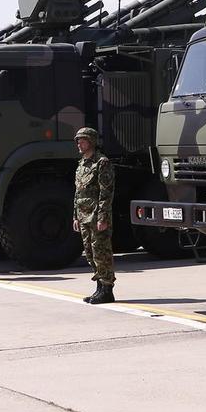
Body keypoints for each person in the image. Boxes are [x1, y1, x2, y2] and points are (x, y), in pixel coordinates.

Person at [73, 127, 115, 304]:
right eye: (77, 141)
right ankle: (99, 287)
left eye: (82, 141)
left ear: (91, 141)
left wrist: (103, 217)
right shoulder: (82, 163)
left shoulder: (102, 163)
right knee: (89, 252)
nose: (79, 144)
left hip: (96, 214)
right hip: (83, 215)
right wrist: (75, 215)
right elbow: (78, 192)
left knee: (101, 252)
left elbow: (106, 192)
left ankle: (107, 289)